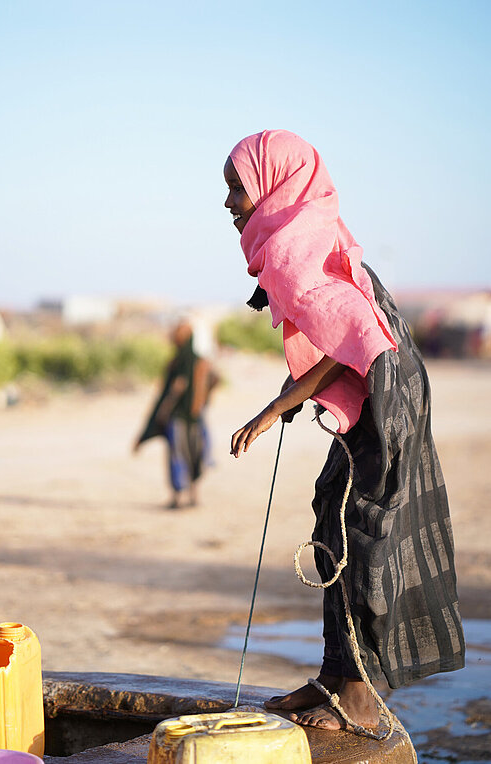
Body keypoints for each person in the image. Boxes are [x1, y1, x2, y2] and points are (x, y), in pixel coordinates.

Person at [223, 130, 465, 731]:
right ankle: (334, 674)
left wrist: (278, 406)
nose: (229, 204)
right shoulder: (297, 237)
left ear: (274, 185)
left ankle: (357, 696)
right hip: (378, 380)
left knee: (363, 531)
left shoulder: (296, 248)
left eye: (238, 190)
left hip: (387, 392)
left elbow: (353, 329)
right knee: (331, 509)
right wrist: (285, 399)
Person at [133, 318, 218, 509]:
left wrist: (202, 395)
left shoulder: (199, 363)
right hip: (180, 418)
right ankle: (179, 497)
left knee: (193, 454)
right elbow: (164, 394)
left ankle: (191, 496)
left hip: (192, 418)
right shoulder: (177, 363)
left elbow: (213, 381)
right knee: (179, 455)